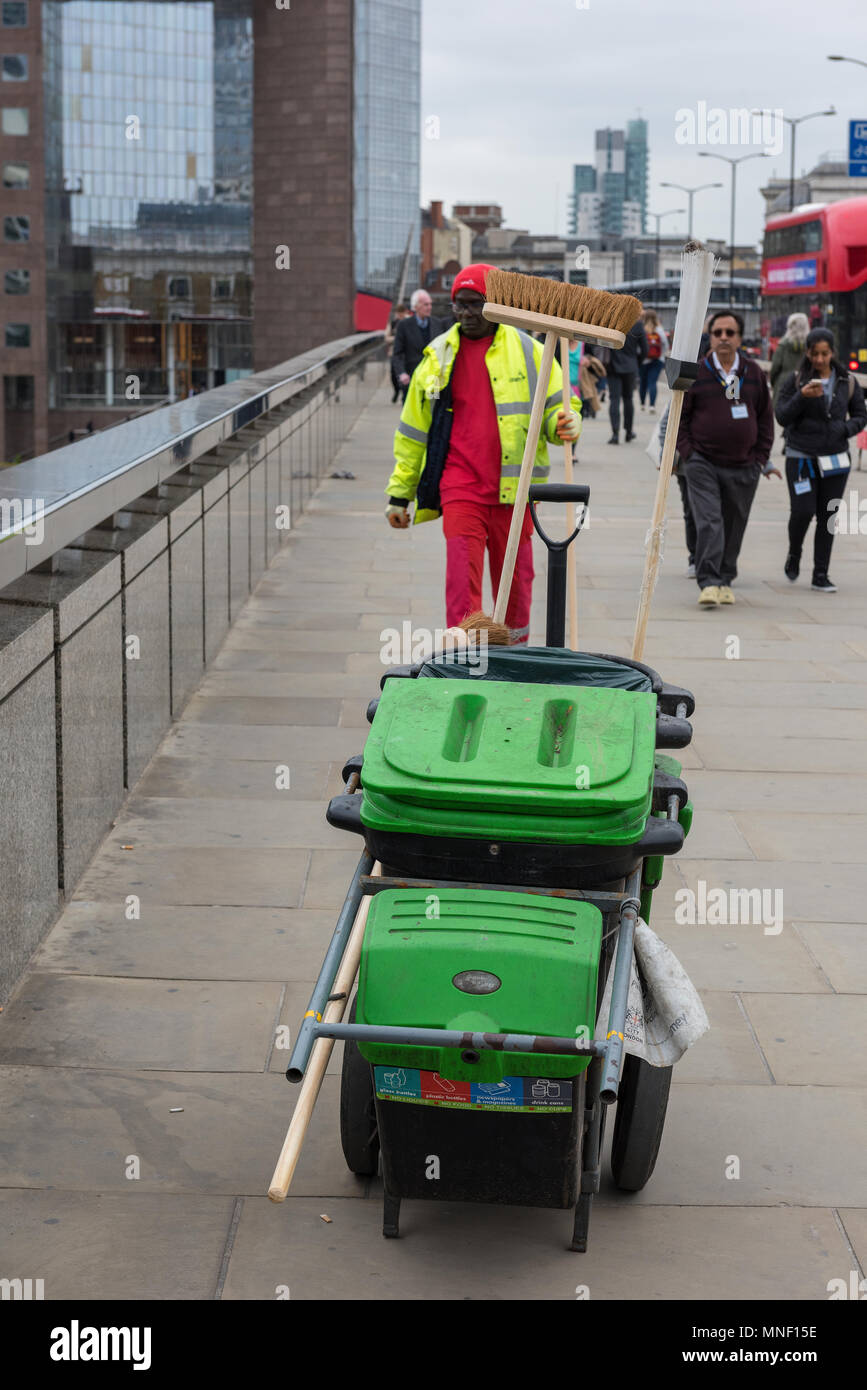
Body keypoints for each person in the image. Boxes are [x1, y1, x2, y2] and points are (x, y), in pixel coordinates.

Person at [383, 263, 581, 642]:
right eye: (459, 304)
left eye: (476, 304)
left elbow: (560, 408)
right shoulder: (436, 357)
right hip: (460, 488)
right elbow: (412, 431)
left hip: (517, 491)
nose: (466, 314)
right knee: (462, 581)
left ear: (496, 305)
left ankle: (514, 654)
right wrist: (399, 495)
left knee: (518, 582)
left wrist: (567, 423)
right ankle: (465, 659)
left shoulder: (531, 351)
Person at [676, 309, 780, 607]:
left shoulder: (754, 373)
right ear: (710, 337)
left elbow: (765, 418)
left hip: (744, 465)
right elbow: (680, 417)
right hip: (702, 462)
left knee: (735, 522)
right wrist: (688, 453)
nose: (723, 338)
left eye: (729, 333)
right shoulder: (696, 371)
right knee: (710, 520)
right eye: (717, 332)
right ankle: (708, 581)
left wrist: (760, 458)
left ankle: (725, 577)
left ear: (739, 338)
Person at [775, 326, 866, 592]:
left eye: (825, 354)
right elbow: (781, 415)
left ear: (832, 353)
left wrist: (845, 429)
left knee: (828, 516)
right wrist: (802, 397)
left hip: (835, 459)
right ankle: (794, 553)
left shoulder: (846, 381)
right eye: (815, 354)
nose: (819, 359)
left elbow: (861, 415)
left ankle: (821, 573)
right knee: (803, 511)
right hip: (800, 455)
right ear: (808, 353)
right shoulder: (796, 380)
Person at [391, 289, 444, 404]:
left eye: (430, 304)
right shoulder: (403, 325)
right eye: (425, 304)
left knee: (433, 410)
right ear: (415, 306)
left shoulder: (438, 324)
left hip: (433, 379)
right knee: (411, 416)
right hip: (412, 378)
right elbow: (397, 353)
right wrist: (401, 373)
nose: (429, 307)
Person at [607, 316, 648, 444]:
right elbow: (645, 349)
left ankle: (615, 433)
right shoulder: (637, 325)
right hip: (630, 366)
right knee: (628, 399)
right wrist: (637, 362)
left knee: (614, 399)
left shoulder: (612, 321)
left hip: (612, 365)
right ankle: (629, 431)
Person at [769, 313, 809, 406]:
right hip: (803, 384)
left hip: (783, 384)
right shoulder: (809, 346)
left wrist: (773, 382)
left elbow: (775, 367)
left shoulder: (783, 345)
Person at [639, 310, 669, 414]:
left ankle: (642, 403)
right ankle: (652, 406)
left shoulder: (642, 329)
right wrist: (661, 354)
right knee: (652, 382)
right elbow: (665, 344)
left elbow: (638, 346)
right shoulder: (659, 330)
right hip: (657, 360)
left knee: (643, 382)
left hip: (644, 361)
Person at [385, 302, 410, 402]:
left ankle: (404, 395)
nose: (400, 315)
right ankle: (396, 391)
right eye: (398, 313)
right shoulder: (393, 323)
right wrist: (397, 339)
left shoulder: (410, 322)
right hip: (395, 352)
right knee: (393, 374)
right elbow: (386, 337)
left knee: (405, 374)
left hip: (408, 353)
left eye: (402, 313)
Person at [579, 347, 606, 419]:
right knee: (588, 390)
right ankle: (588, 409)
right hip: (588, 364)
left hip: (593, 365)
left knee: (590, 390)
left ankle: (589, 409)